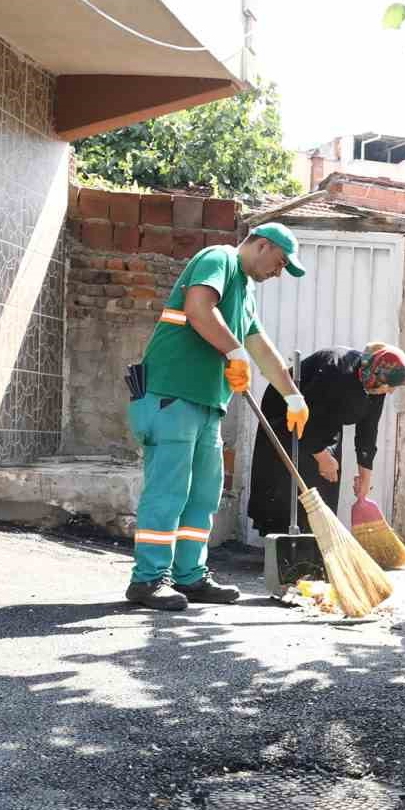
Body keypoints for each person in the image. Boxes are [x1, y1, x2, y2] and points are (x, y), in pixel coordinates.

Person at [125, 222, 310, 611]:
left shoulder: (246, 292)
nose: (279, 273)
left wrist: (293, 395)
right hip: (172, 395)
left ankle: (190, 576)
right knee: (168, 492)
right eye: (279, 263)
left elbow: (261, 347)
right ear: (262, 245)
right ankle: (148, 580)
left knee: (203, 496)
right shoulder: (219, 259)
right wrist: (234, 351)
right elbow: (197, 309)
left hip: (208, 403)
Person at [246, 343, 405, 536]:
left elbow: (368, 430)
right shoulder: (336, 370)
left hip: (325, 421)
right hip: (288, 414)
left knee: (326, 479)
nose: (390, 391)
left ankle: (315, 542)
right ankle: (284, 545)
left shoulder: (375, 386)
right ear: (377, 373)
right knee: (286, 482)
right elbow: (308, 416)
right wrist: (322, 456)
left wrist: (365, 478)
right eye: (390, 386)